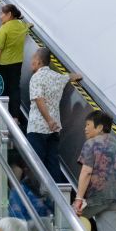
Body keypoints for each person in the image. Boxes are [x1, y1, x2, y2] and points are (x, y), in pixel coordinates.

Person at [27, 46, 83, 182]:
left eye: (33, 59)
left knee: (36, 163)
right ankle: (57, 196)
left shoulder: (36, 78)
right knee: (53, 162)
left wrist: (49, 120)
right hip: (54, 129)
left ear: (39, 62)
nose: (31, 61)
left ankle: (38, 193)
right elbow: (69, 77)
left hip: (38, 128)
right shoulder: (57, 77)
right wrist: (78, 75)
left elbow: (39, 100)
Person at [0, 4, 29, 125]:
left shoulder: (4, 28)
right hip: (17, 63)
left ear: (9, 14)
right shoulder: (21, 25)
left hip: (4, 64)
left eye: (2, 14)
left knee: (3, 90)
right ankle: (15, 117)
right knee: (15, 89)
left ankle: (3, 118)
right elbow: (28, 27)